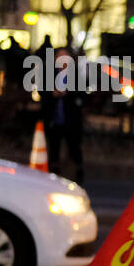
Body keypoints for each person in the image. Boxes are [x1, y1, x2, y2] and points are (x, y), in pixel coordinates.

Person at [40, 47, 86, 184]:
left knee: (74, 146)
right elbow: (42, 91)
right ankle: (53, 174)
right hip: (54, 117)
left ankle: (77, 171)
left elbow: (82, 94)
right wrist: (52, 93)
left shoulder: (76, 74)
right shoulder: (49, 73)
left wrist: (67, 93)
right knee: (54, 146)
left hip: (71, 118)